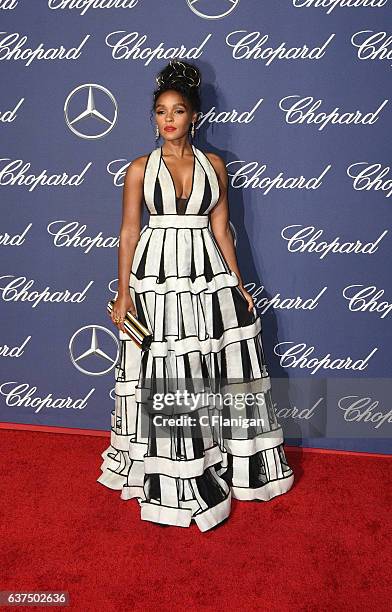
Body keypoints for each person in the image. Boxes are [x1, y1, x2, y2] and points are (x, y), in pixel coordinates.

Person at [97, 60, 294, 531]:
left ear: (193, 117)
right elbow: (128, 233)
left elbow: (224, 229)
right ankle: (172, 466)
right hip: (158, 277)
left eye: (177, 110)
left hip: (206, 275)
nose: (168, 119)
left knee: (214, 367)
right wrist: (123, 295)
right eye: (160, 111)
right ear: (154, 117)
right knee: (168, 368)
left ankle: (217, 457)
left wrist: (239, 283)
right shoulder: (139, 169)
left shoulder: (216, 166)